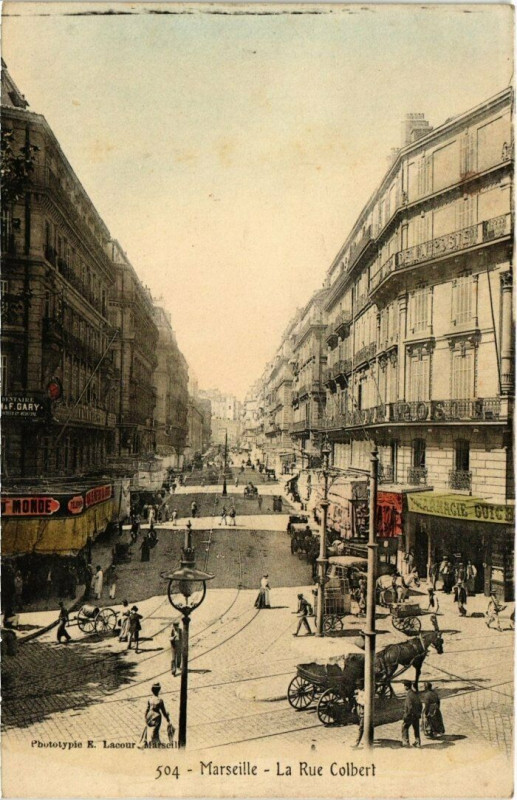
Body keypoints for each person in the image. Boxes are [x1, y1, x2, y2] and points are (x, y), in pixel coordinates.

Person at [142, 683, 172, 747]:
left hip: (150, 715)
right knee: (155, 730)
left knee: (150, 729)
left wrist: (145, 717)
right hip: (157, 717)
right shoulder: (160, 700)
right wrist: (167, 718)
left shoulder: (150, 699)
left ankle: (152, 741)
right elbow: (163, 711)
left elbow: (147, 709)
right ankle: (154, 743)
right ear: (159, 690)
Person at [401, 681, 422, 748]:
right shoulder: (415, 694)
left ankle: (406, 742)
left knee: (404, 727)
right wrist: (419, 713)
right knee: (416, 729)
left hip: (410, 715)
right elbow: (420, 704)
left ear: (407, 686)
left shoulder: (409, 695)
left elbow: (409, 707)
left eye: (405, 686)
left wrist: (406, 715)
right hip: (416, 715)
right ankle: (417, 743)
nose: (404, 687)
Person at [352, 683, 365, 748]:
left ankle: (357, 743)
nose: (358, 687)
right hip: (360, 711)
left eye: (359, 685)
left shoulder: (365, 693)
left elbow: (364, 703)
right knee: (363, 727)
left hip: (364, 712)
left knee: (361, 727)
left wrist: (358, 699)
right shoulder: (359, 691)